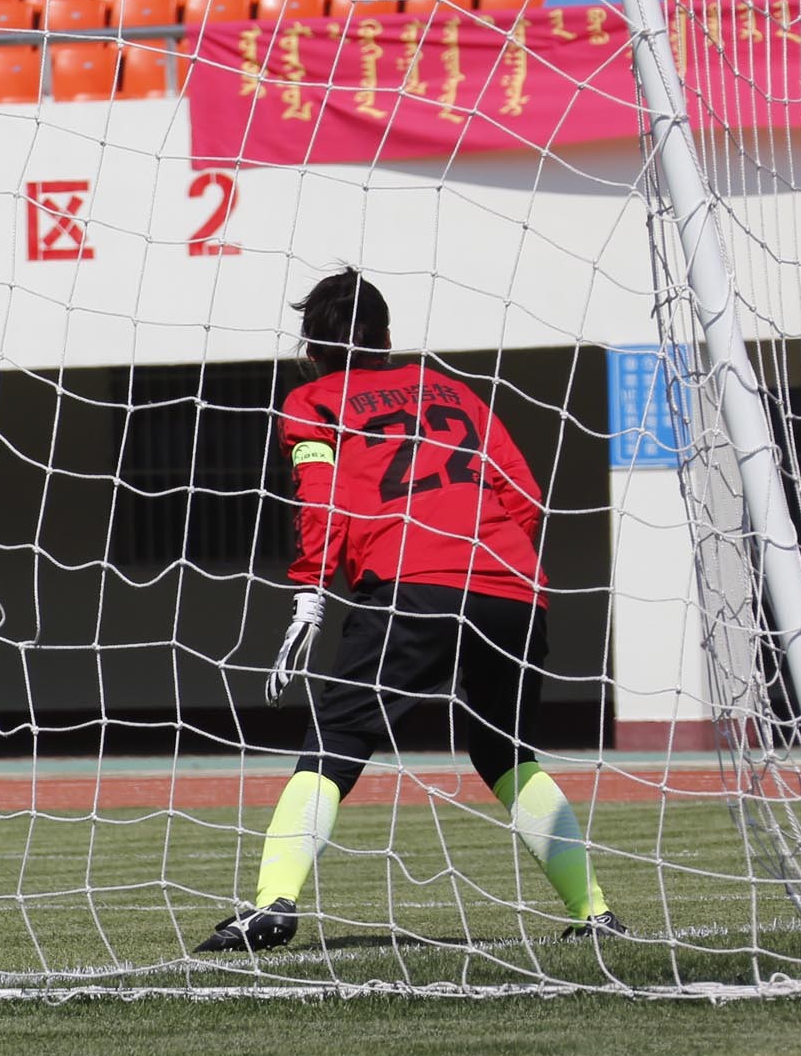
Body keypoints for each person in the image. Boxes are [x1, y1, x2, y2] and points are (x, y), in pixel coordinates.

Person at [198, 270, 625, 953]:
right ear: (389, 337)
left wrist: (309, 591)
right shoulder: (454, 391)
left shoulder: (311, 401)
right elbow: (525, 494)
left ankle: (272, 905)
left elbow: (321, 500)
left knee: (335, 739)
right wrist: (487, 562)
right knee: (506, 751)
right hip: (513, 584)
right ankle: (595, 911)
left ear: (310, 348)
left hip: (411, 585)